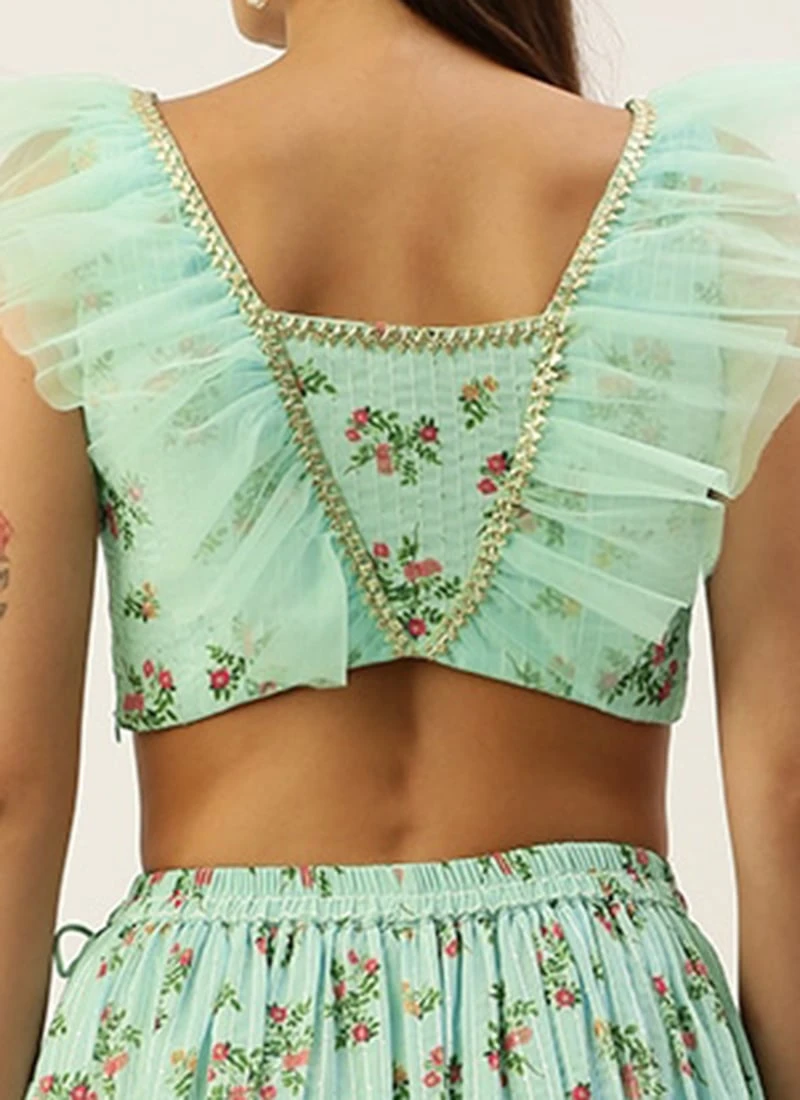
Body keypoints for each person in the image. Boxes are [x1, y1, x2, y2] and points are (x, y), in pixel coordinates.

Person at [1, 0, 799, 1097]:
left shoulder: (84, 204)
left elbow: (9, 779)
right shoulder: (706, 213)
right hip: (599, 1029)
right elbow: (787, 779)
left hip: (211, 1028)